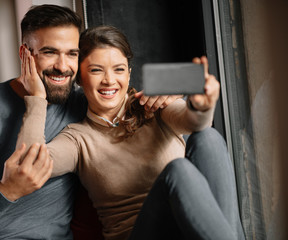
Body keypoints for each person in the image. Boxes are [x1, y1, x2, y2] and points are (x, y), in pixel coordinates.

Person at [0, 5, 172, 239]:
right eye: (50, 52)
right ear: (24, 53)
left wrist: (163, 96)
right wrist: (6, 192)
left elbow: (124, 99)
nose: (62, 66)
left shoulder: (85, 103)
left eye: (72, 54)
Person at [17, 25, 246, 240]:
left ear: (128, 74)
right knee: (178, 169)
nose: (109, 80)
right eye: (96, 70)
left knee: (208, 137)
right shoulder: (78, 139)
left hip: (191, 229)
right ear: (80, 78)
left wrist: (202, 106)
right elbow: (29, 164)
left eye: (118, 69)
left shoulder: (153, 105)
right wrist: (36, 99)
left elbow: (193, 121)